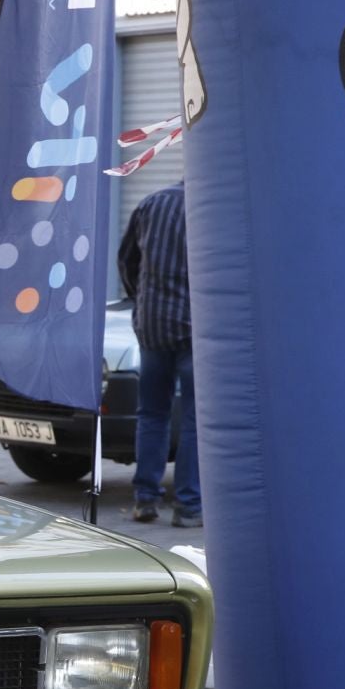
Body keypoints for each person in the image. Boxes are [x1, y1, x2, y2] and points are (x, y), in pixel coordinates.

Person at [118, 181, 198, 528]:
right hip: (196, 328)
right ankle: (189, 506)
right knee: (196, 420)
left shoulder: (152, 203)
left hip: (152, 327)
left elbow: (127, 261)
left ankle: (145, 499)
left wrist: (142, 301)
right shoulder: (210, 208)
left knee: (152, 413)